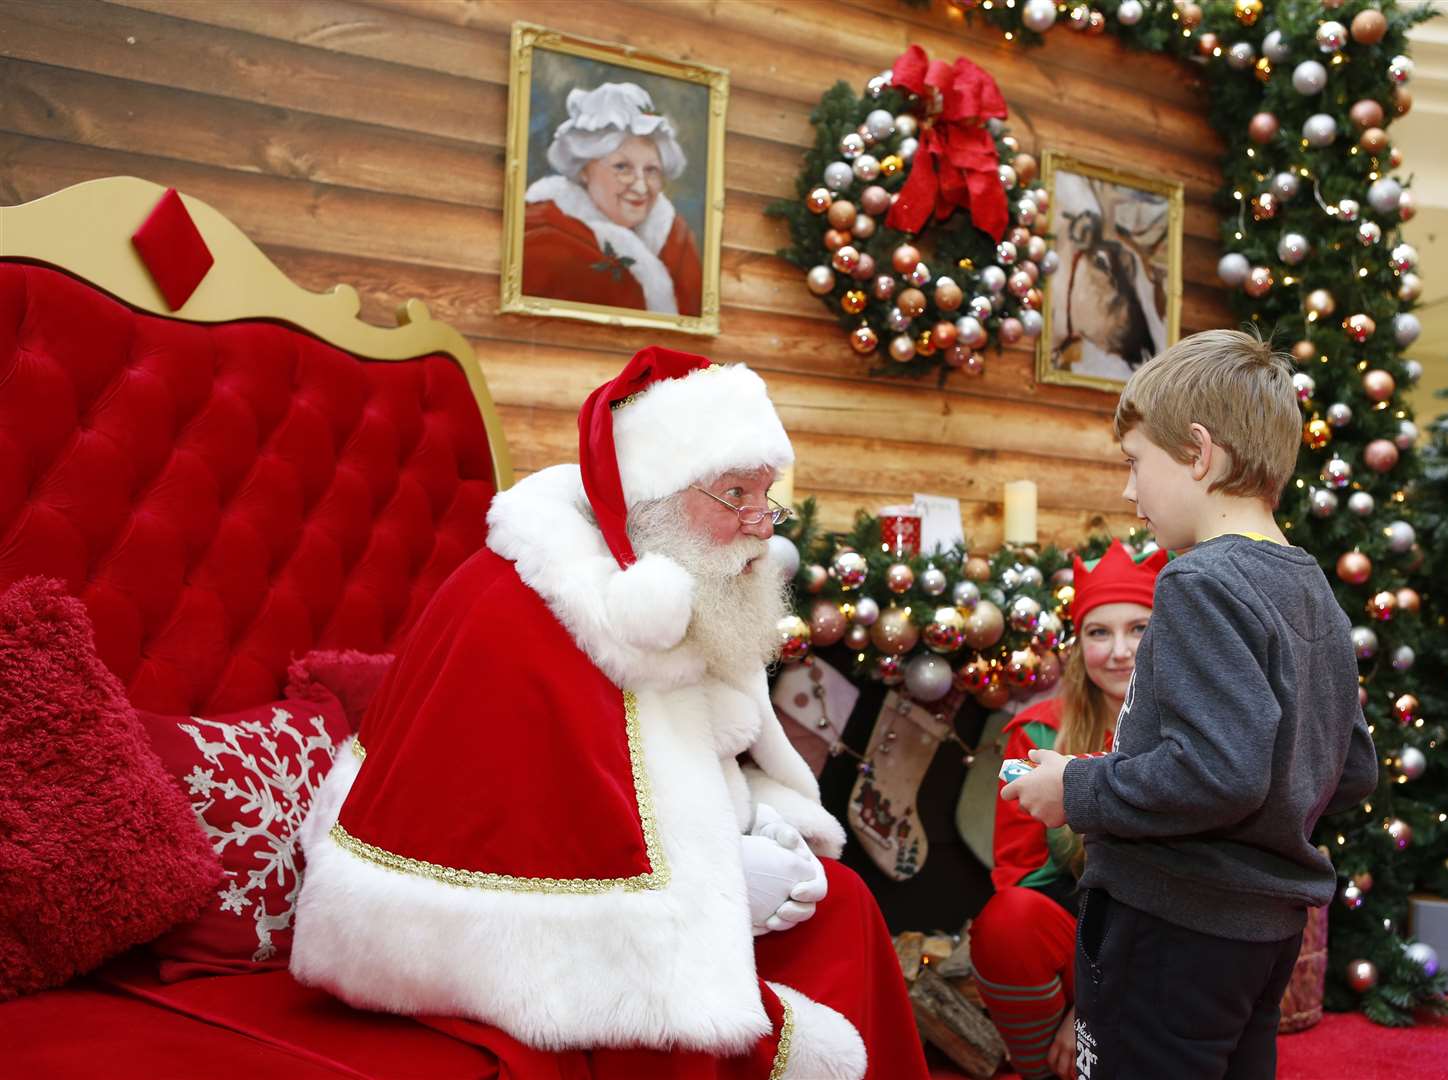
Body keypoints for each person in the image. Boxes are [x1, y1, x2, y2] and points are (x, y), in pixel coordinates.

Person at [291, 346, 929, 1080]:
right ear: (654, 496)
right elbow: (532, 818)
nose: (763, 525)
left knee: (843, 902)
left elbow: (665, 769)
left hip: (647, 885)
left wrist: (754, 825)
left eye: (766, 493)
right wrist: (718, 879)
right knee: (676, 1035)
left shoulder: (676, 576)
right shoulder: (516, 603)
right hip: (508, 934)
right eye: (734, 495)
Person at [1001, 328, 1380, 1080]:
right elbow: (1355, 768)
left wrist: (1073, 788)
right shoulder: (1308, 585)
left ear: (1199, 455)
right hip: (1262, 933)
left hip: (1173, 923)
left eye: (1136, 463)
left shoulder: (1199, 581)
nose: (1129, 490)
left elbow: (1218, 772)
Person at [971, 540, 1166, 1080]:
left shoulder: (1192, 734)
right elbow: (1019, 873)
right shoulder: (1037, 733)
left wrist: (1091, 1012)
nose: (1120, 650)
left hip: (1169, 943)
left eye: (1140, 629)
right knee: (1007, 920)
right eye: (1099, 633)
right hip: (1081, 936)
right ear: (1079, 645)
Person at [522, 82, 703, 317]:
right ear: (584, 169)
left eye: (651, 171)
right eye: (622, 167)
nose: (640, 187)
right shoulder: (541, 237)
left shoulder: (676, 241)